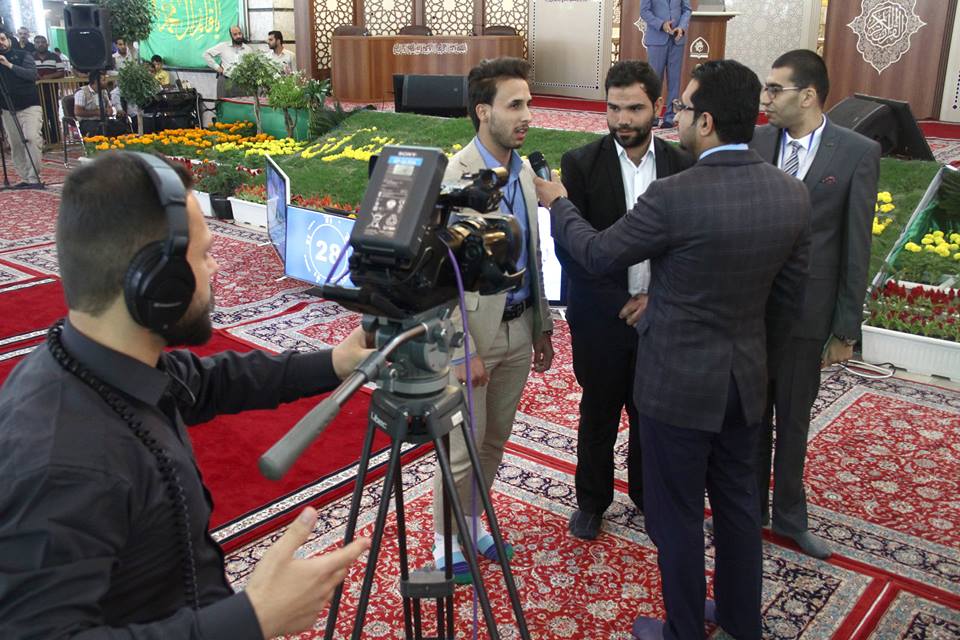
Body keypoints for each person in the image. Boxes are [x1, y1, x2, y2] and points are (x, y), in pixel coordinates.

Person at [0, 151, 373, 639]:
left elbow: (211, 380)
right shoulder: (63, 461)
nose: (216, 267)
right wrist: (251, 619)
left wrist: (333, 362)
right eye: (203, 254)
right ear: (159, 283)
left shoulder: (100, 360)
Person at [536, 59, 811, 640]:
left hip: (676, 387)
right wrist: (755, 361)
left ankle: (684, 630)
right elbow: (786, 304)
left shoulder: (674, 194)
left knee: (677, 515)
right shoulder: (790, 193)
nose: (677, 117)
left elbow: (596, 252)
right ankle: (739, 621)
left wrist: (559, 204)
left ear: (705, 121)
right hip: (745, 384)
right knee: (738, 509)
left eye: (684, 107)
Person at [751, 49, 880, 560]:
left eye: (774, 89)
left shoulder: (856, 153)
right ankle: (749, 510)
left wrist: (845, 330)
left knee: (792, 420)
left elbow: (856, 246)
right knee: (750, 417)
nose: (765, 99)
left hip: (807, 315)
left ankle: (789, 517)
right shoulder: (757, 142)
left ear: (807, 96)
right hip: (752, 311)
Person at [430, 57, 554, 583]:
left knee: (495, 442)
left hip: (520, 327)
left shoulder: (523, 170)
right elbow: (440, 276)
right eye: (515, 105)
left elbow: (534, 255)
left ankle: (472, 523)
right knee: (461, 451)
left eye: (529, 103)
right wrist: (461, 350)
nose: (527, 115)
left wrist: (542, 326)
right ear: (484, 112)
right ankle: (444, 540)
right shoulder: (451, 176)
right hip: (472, 336)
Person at [560, 59, 693, 540]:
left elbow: (688, 246)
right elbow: (572, 248)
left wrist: (655, 298)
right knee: (598, 411)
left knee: (650, 414)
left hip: (661, 315)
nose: (622, 120)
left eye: (634, 108)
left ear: (657, 106)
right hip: (601, 316)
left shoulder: (683, 165)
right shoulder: (580, 163)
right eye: (613, 108)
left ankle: (645, 494)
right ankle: (592, 501)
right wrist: (621, 301)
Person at [0, 30, 43, 187]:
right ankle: (25, 178)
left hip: (29, 105)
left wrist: (9, 65)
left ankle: (34, 177)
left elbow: (32, 75)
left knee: (31, 138)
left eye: (2, 39)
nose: (0, 43)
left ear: (9, 40)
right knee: (15, 143)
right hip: (7, 109)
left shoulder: (23, 55)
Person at [639, 0, 690, 127]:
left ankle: (670, 117)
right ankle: (653, 115)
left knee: (674, 81)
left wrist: (682, 27)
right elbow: (644, 11)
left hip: (677, 39)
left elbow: (687, 10)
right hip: (657, 39)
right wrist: (661, 24)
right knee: (654, 80)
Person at [203, 26, 254, 98]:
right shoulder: (223, 46)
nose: (238, 36)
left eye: (239, 33)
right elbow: (206, 54)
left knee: (242, 103)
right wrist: (217, 67)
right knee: (224, 103)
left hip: (243, 83)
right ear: (231, 36)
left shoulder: (248, 49)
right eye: (235, 34)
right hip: (225, 81)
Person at [32, 34, 66, 143]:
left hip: (51, 92)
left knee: (53, 115)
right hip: (35, 94)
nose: (40, 44)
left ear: (47, 44)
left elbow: (61, 72)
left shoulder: (54, 56)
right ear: (34, 44)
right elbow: (27, 72)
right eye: (38, 42)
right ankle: (46, 140)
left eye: (43, 42)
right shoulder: (30, 57)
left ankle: (56, 140)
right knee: (40, 117)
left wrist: (46, 77)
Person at [73, 70, 126, 137]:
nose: (106, 82)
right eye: (104, 80)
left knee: (121, 127)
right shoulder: (82, 92)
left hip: (103, 120)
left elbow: (109, 107)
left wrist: (110, 111)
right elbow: (78, 112)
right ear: (96, 81)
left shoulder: (104, 91)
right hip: (86, 122)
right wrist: (96, 112)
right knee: (102, 130)